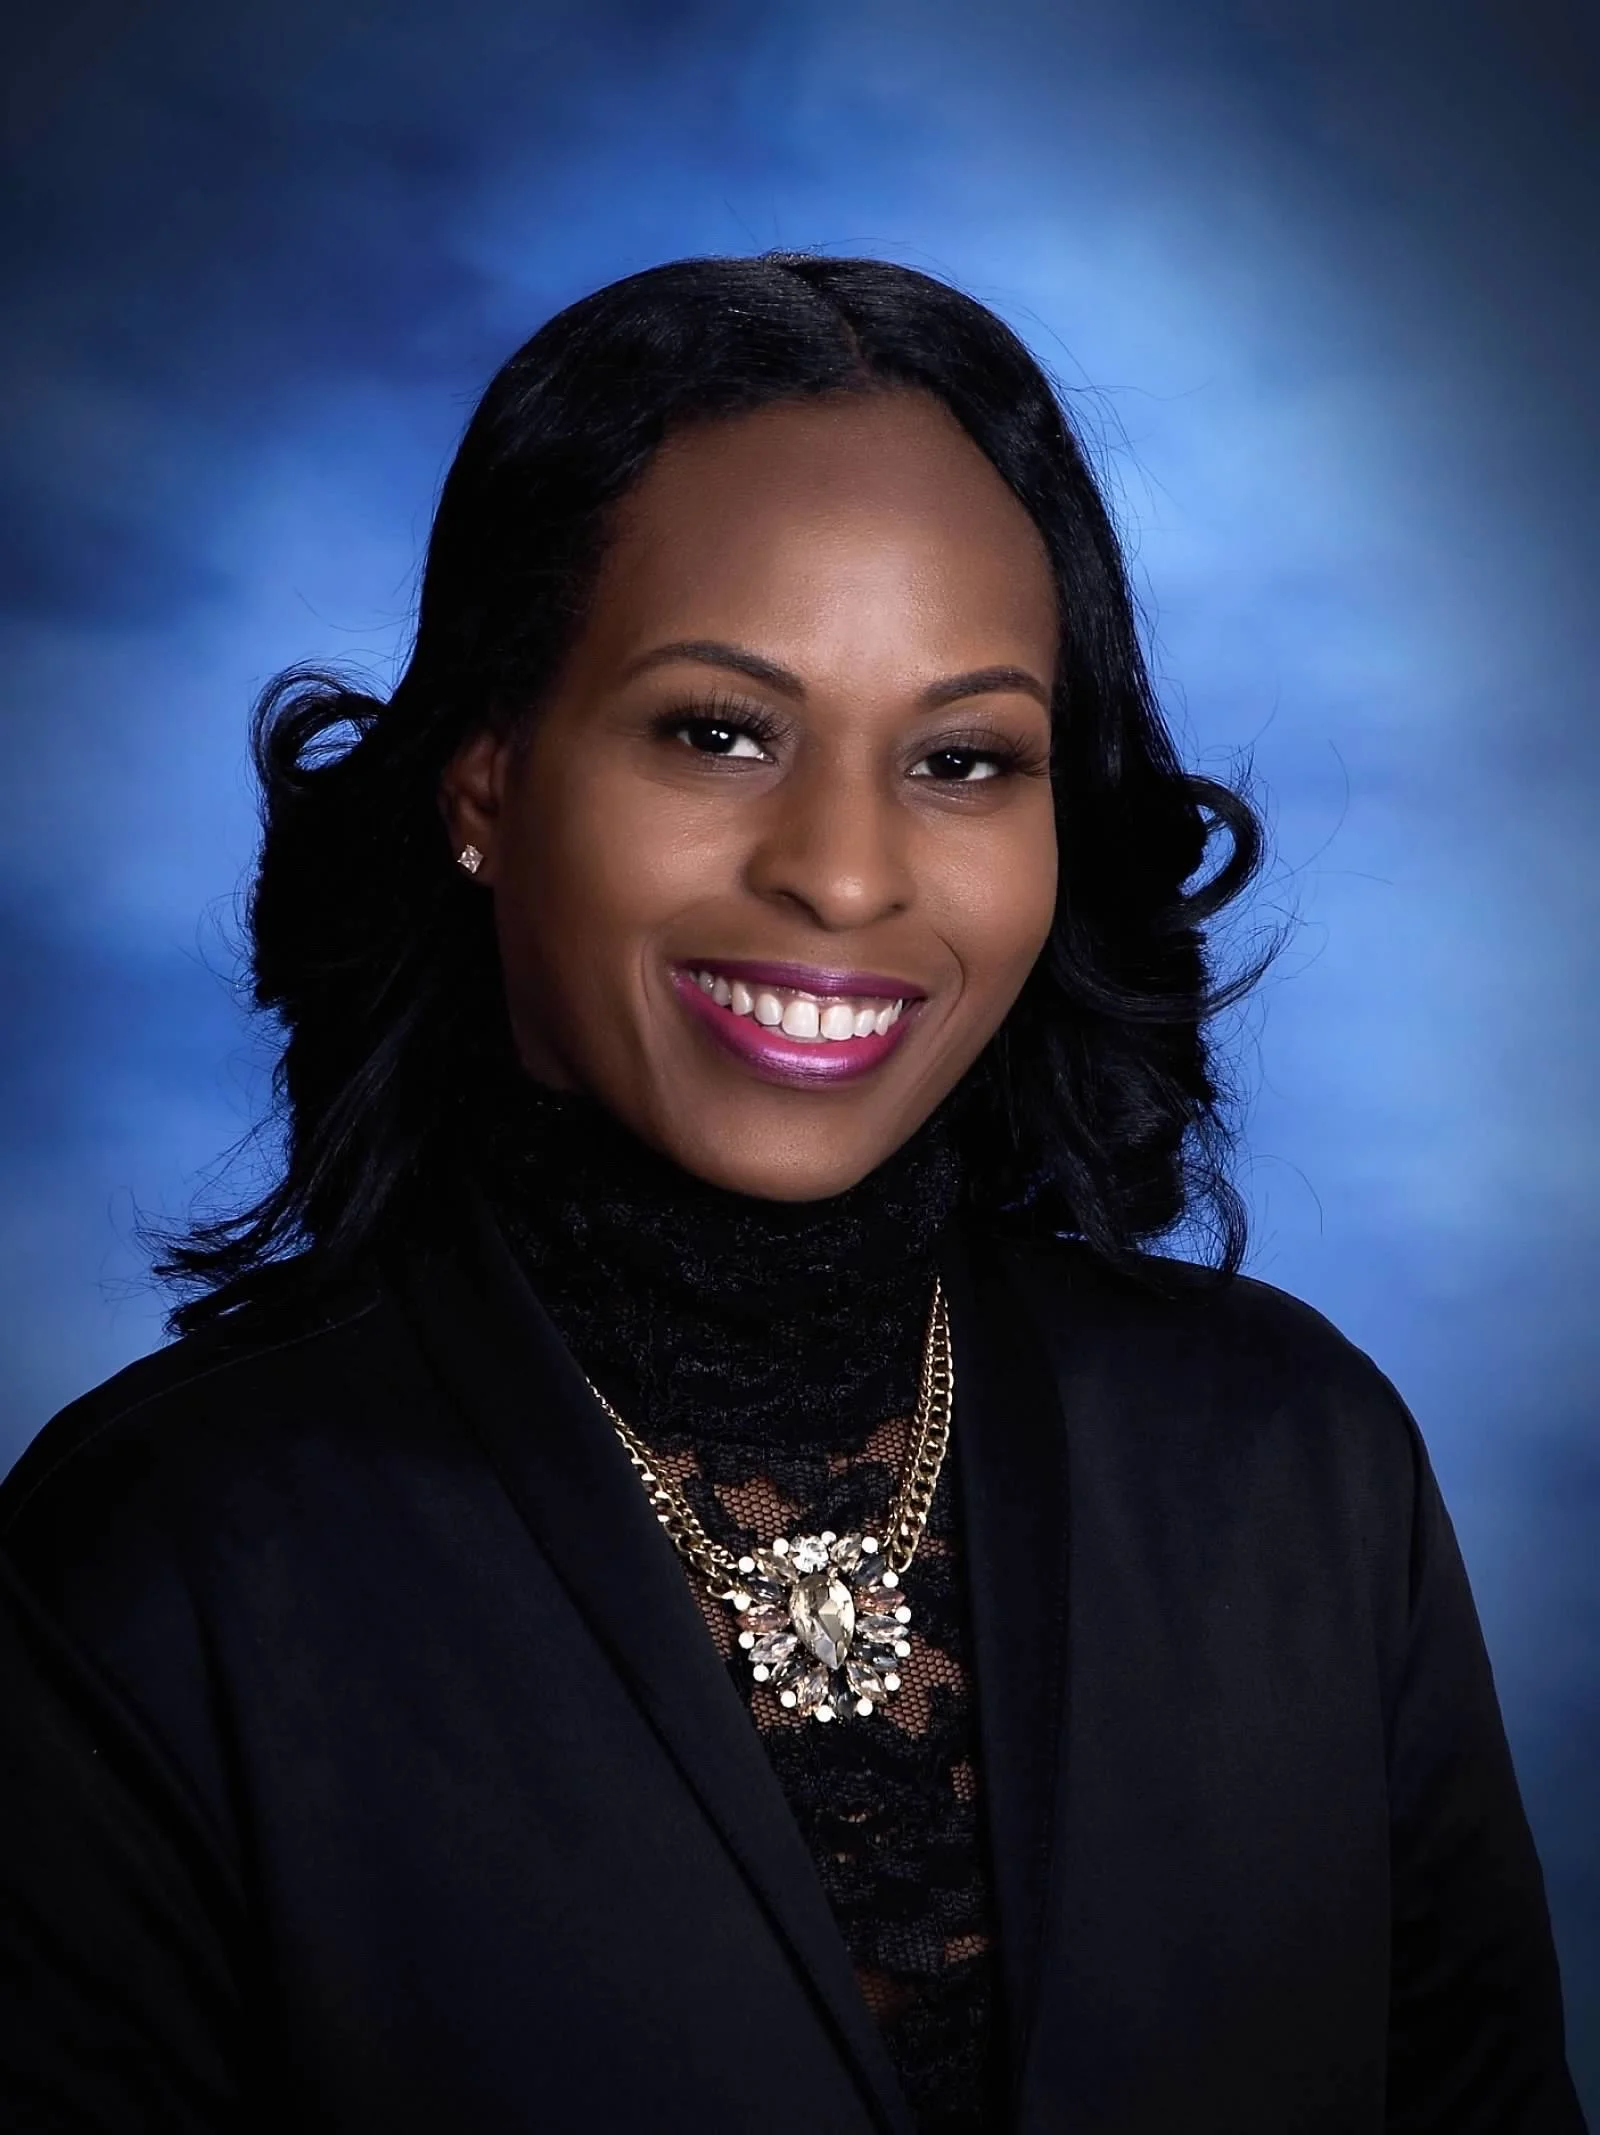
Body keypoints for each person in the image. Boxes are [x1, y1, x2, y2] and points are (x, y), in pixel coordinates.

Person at [0, 252, 1584, 2135]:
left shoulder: (1306, 1466)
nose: (844, 874)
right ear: (488, 775)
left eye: (963, 757)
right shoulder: (146, 1566)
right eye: (716, 730)